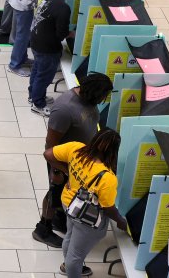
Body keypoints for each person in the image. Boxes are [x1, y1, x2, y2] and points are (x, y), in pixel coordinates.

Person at [32, 73, 113, 248]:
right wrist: (57, 169)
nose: (104, 99)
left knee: (66, 191)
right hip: (61, 161)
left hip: (79, 159)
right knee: (54, 193)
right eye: (103, 96)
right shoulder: (65, 109)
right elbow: (50, 145)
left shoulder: (88, 101)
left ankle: (57, 218)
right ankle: (42, 229)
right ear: (93, 92)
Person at [45, 129, 126, 277]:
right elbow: (108, 208)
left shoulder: (76, 148)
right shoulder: (107, 177)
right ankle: (72, 269)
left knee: (69, 238)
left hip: (70, 204)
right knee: (75, 256)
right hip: (87, 217)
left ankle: (66, 266)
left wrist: (67, 171)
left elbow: (48, 154)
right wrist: (121, 221)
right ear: (113, 151)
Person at [29, 0, 85, 116]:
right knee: (44, 76)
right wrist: (72, 34)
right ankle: (38, 104)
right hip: (48, 47)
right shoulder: (62, 8)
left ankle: (33, 95)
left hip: (35, 39)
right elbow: (61, 34)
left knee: (37, 70)